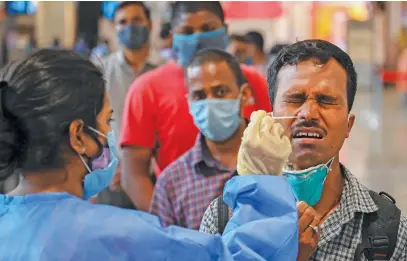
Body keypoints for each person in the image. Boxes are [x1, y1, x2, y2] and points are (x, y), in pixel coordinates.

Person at [0, 48, 299, 261]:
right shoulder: (116, 235)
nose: (110, 137)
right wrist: (262, 182)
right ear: (79, 136)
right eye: (107, 121)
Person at [200, 39, 407, 260]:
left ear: (349, 124)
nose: (308, 113)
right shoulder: (224, 218)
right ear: (271, 117)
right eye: (295, 99)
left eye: (326, 100)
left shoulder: (388, 231)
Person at [120, 1, 271, 211]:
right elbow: (134, 174)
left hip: (252, 213)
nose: (198, 37)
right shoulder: (147, 90)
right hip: (182, 213)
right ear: (173, 36)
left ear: (225, 31)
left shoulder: (253, 82)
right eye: (188, 31)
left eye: (208, 29)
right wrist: (167, 226)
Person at [150, 49, 252, 229]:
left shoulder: (280, 162)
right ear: (189, 102)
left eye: (220, 91)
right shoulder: (172, 182)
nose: (210, 102)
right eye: (200, 96)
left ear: (244, 95)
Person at [96, 1, 156, 209]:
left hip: (157, 178)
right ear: (115, 28)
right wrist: (108, 166)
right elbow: (92, 124)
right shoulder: (99, 70)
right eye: (122, 22)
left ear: (150, 24)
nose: (130, 26)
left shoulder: (165, 71)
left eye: (137, 20)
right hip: (111, 179)